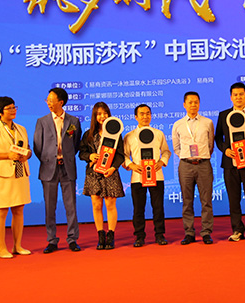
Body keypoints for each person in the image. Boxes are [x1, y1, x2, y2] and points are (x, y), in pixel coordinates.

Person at [0, 96, 32, 259]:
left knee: (19, 209)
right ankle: (1, 248)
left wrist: (27, 155)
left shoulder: (21, 129)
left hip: (20, 172)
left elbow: (27, 149)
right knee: (2, 210)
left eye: (14, 107)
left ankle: (17, 246)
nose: (13, 110)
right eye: (9, 108)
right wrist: (8, 155)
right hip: (2, 174)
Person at [33, 87, 83, 253]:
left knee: (71, 206)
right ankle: (52, 240)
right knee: (50, 207)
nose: (48, 103)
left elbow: (75, 144)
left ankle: (72, 239)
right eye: (47, 100)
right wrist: (49, 159)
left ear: (61, 102)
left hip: (67, 168)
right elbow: (37, 146)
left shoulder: (73, 121)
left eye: (51, 100)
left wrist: (65, 157)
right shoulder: (42, 121)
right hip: (49, 168)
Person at [215, 83, 245, 241]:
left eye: (241, 94)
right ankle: (237, 229)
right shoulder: (223, 115)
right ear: (231, 97)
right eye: (235, 95)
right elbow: (218, 137)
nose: (238, 97)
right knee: (233, 199)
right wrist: (225, 150)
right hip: (230, 164)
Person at [78, 102, 125, 250]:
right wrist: (90, 156)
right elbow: (81, 153)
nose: (102, 116)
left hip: (110, 173)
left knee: (110, 205)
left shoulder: (116, 134)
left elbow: (120, 154)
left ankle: (111, 235)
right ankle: (100, 235)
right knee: (96, 205)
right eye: (99, 114)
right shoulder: (88, 134)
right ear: (94, 116)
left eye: (105, 113)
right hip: (93, 174)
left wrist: (113, 168)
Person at [123, 104, 171, 247]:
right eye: (142, 114)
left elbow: (166, 151)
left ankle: (160, 235)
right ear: (136, 117)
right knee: (138, 208)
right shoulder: (129, 136)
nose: (145, 116)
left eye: (148, 113)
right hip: (138, 177)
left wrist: (162, 161)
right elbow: (124, 155)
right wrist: (131, 165)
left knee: (158, 207)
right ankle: (139, 236)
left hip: (156, 175)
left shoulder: (158, 134)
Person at [172, 91, 215, 245]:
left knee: (206, 200)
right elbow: (176, 147)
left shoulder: (207, 122)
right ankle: (189, 232)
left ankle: (206, 232)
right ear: (184, 105)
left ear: (199, 104)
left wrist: (201, 156)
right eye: (190, 102)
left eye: (196, 102)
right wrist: (186, 157)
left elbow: (210, 145)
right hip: (186, 165)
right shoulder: (178, 124)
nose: (193, 105)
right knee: (187, 201)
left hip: (203, 164)